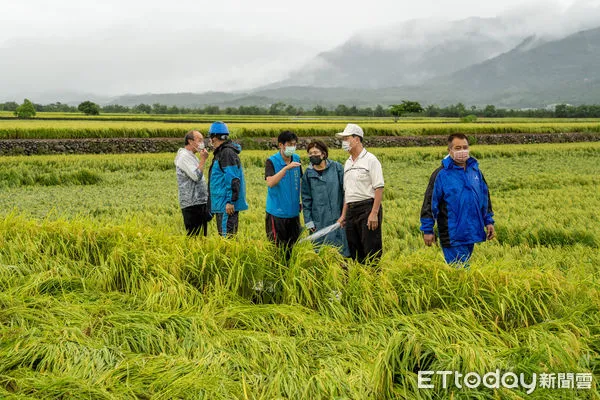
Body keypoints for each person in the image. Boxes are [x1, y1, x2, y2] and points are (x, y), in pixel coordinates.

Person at [420, 133, 495, 266]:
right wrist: (427, 230)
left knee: (462, 270)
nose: (462, 151)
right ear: (449, 151)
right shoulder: (441, 174)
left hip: (472, 231)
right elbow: (430, 203)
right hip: (452, 233)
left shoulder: (475, 171)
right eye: (458, 148)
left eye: (465, 147)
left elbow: (484, 198)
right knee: (459, 271)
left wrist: (488, 222)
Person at [336, 124, 385, 264]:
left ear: (357, 139)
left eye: (346, 138)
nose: (344, 143)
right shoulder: (347, 163)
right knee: (355, 251)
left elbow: (379, 188)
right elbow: (347, 192)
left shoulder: (370, 160)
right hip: (351, 210)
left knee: (371, 251)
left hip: (367, 208)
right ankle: (360, 281)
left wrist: (374, 213)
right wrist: (344, 215)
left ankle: (373, 282)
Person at [301, 140, 349, 257]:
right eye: (310, 153)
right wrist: (309, 222)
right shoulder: (308, 174)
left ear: (323, 154)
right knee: (321, 253)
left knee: (341, 253)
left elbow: (346, 192)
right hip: (319, 220)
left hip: (338, 218)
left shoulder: (336, 168)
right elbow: (306, 199)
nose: (313, 155)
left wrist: (345, 215)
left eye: (316, 152)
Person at [265, 131, 302, 257]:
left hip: (293, 213)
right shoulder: (271, 161)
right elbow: (270, 182)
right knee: (278, 250)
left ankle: (290, 274)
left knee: (293, 248)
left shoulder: (296, 159)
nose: (293, 147)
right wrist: (285, 168)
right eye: (290, 144)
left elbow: (300, 181)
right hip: (277, 214)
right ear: (281, 145)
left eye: (294, 144)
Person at [207, 121, 248, 237]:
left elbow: (233, 180)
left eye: (210, 137)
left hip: (226, 206)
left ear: (214, 137)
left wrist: (230, 201)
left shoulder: (226, 153)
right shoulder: (222, 152)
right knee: (224, 237)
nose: (210, 141)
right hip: (221, 204)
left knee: (227, 239)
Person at [174, 130, 210, 236]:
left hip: (199, 202)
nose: (202, 143)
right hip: (192, 204)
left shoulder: (192, 156)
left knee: (202, 237)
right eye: (199, 140)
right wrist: (203, 159)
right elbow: (196, 176)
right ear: (190, 141)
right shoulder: (184, 157)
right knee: (194, 237)